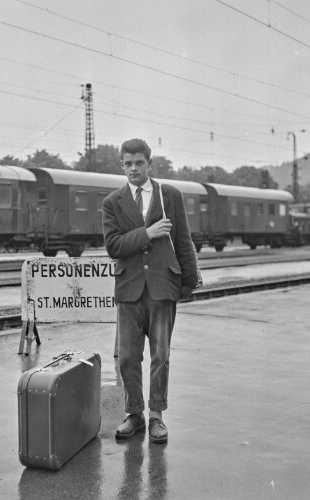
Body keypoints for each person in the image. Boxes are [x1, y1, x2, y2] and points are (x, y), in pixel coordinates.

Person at [102, 138, 199, 443]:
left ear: (149, 164)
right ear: (122, 165)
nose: (133, 169)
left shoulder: (168, 194)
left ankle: (157, 416)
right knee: (129, 357)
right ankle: (134, 414)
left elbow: (183, 239)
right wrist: (148, 233)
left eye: (139, 163)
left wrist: (187, 281)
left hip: (162, 286)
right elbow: (113, 246)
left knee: (161, 354)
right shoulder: (112, 202)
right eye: (128, 164)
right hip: (129, 287)